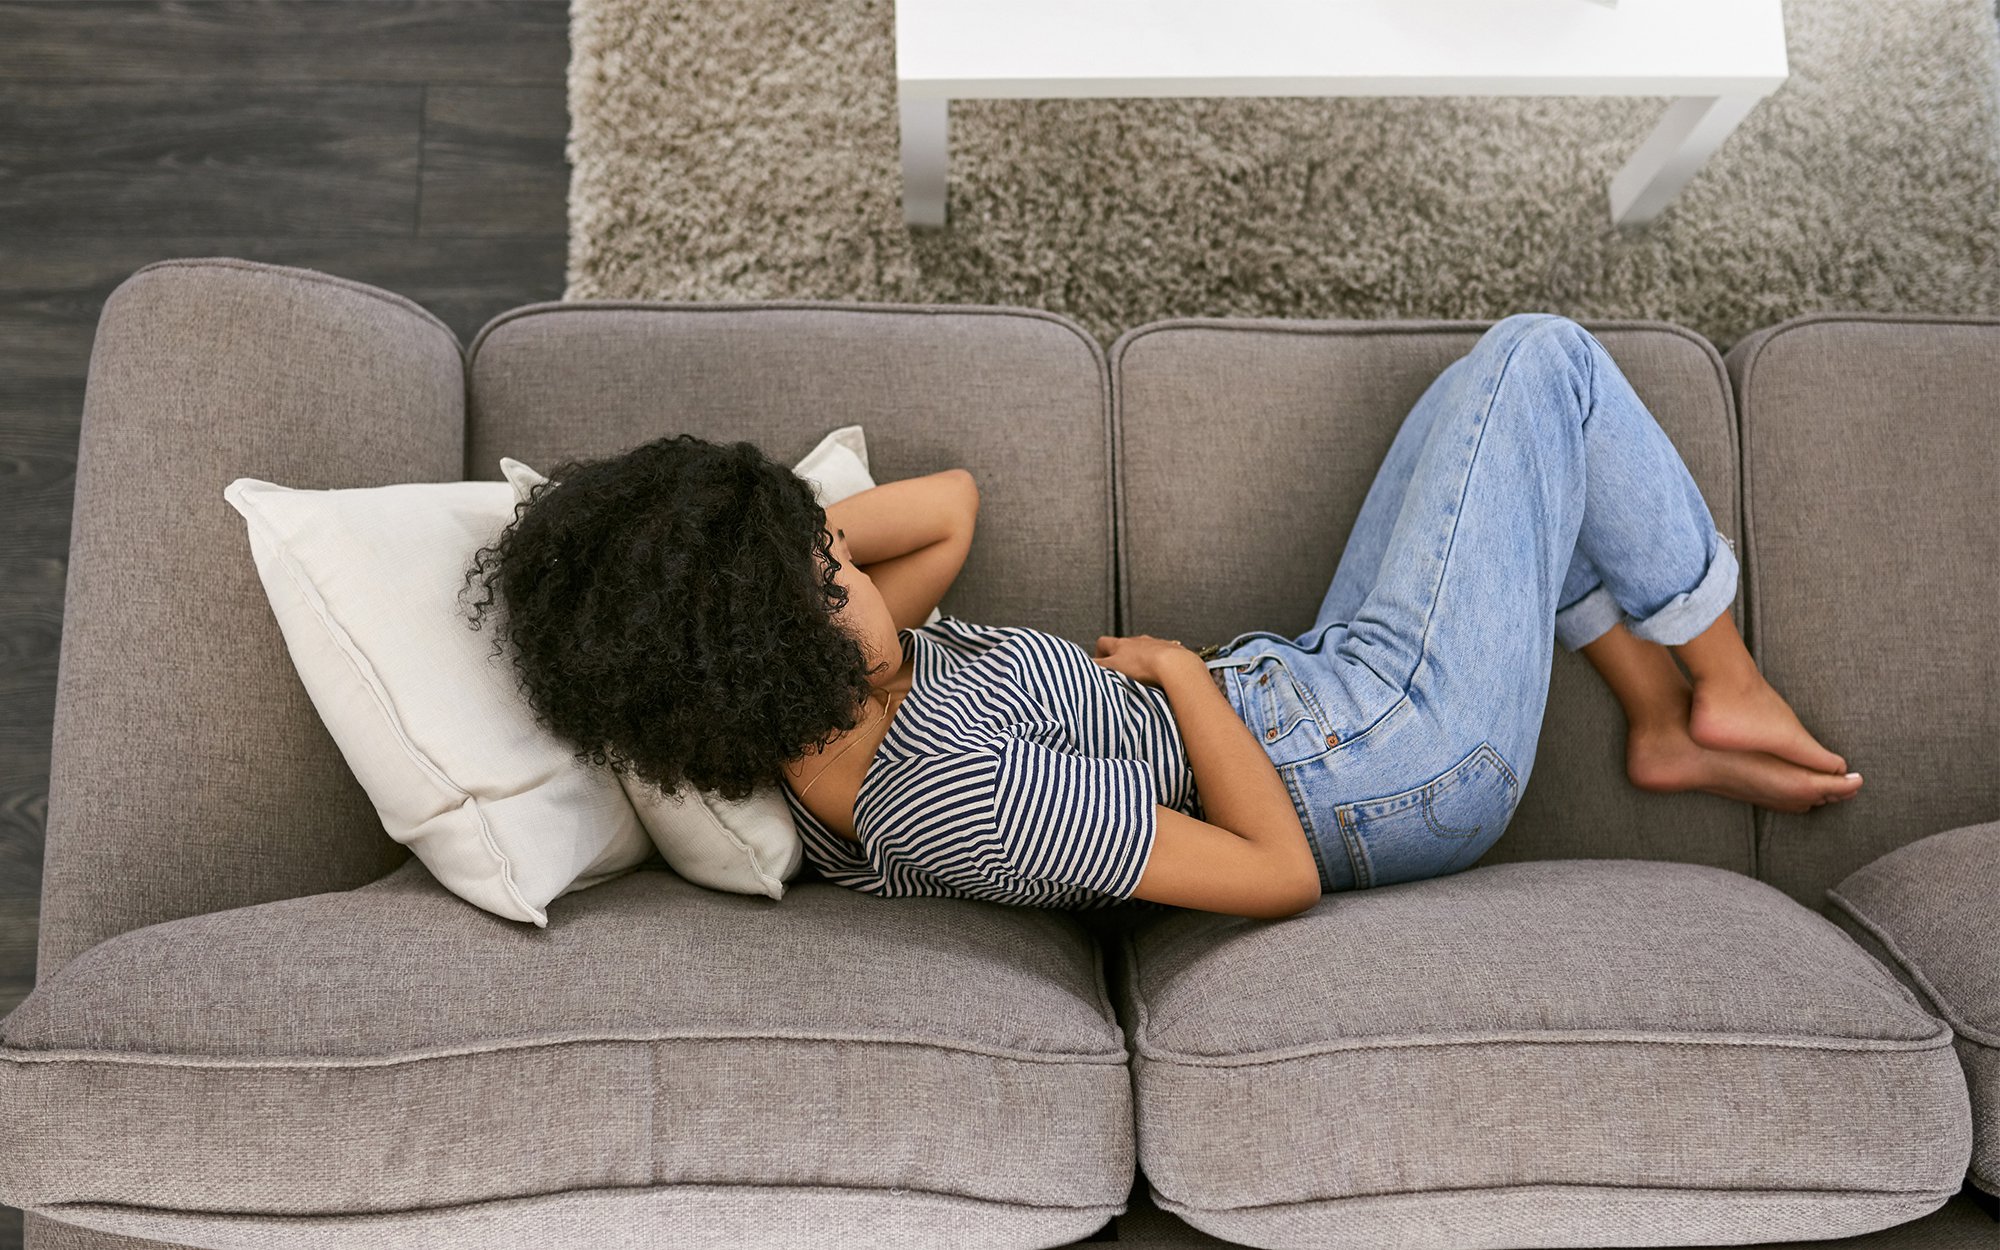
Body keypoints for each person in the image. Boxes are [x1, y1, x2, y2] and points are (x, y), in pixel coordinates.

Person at [461, 313, 1859, 921]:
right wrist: (1189, 682)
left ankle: (1671, 722)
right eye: (825, 587)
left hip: (1323, 699)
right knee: (1542, 361)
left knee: (1509, 445)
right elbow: (1273, 876)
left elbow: (948, 504)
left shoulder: (831, 692)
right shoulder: (946, 795)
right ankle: (1718, 678)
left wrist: (780, 524)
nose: (852, 574)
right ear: (760, 660)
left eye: (827, 559)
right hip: (1378, 766)